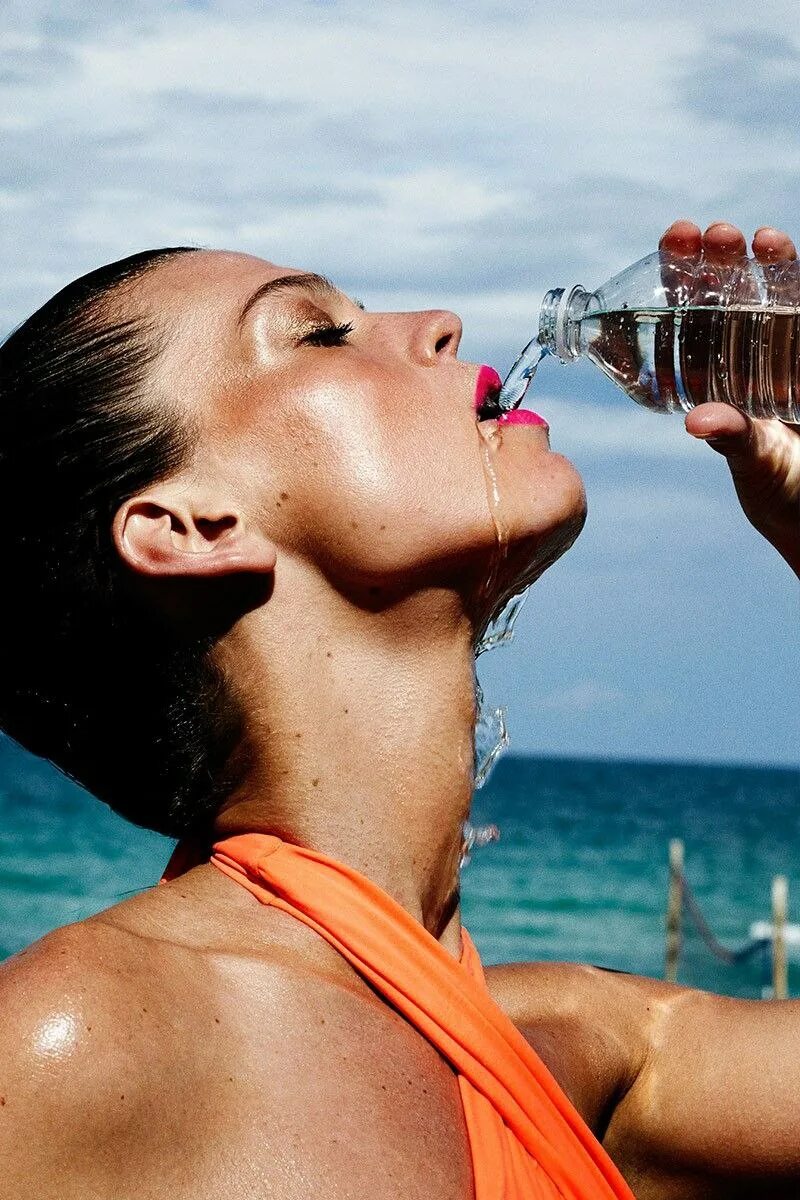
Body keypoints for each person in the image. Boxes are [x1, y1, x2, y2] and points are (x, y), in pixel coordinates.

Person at [0, 217, 797, 1200]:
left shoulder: (582, 1049)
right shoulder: (70, 1045)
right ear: (192, 527)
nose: (442, 324)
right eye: (317, 333)